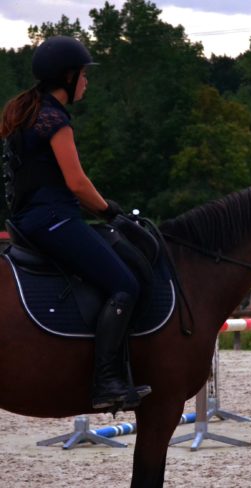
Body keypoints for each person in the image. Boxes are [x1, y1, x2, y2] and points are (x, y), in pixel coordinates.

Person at [0, 36, 151, 409]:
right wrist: (111, 212)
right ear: (67, 77)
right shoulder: (54, 118)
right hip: (54, 220)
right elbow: (77, 182)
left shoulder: (26, 113)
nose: (87, 82)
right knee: (124, 284)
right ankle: (107, 383)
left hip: (28, 220)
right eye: (83, 75)